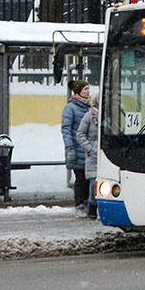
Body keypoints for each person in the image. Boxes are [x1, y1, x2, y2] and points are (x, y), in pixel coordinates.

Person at [62, 80, 91, 215]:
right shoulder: (71, 108)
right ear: (78, 91)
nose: (88, 91)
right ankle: (79, 204)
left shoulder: (90, 106)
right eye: (85, 89)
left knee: (88, 177)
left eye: (88, 89)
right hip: (77, 148)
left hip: (88, 149)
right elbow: (66, 129)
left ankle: (85, 202)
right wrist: (70, 147)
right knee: (80, 178)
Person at [75, 91, 100, 220]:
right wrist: (90, 149)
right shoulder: (89, 116)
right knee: (94, 182)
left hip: (106, 153)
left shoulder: (112, 115)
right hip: (94, 155)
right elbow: (80, 134)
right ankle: (92, 206)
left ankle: (101, 207)